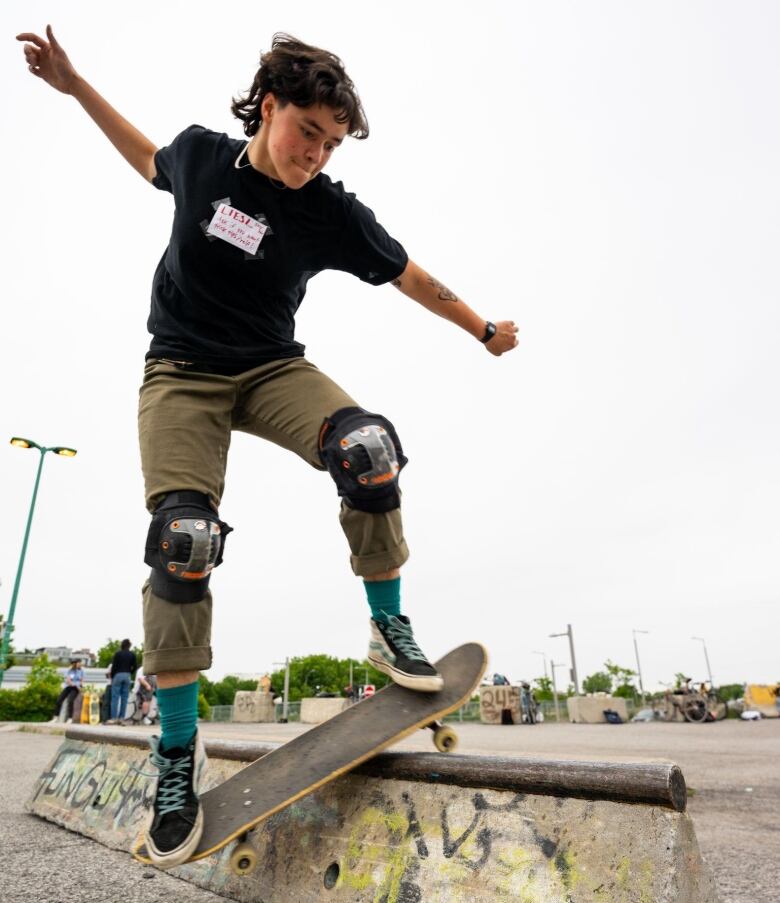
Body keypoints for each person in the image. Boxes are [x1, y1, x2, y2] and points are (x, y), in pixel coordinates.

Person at [17, 27, 518, 868]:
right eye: (306, 132)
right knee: (184, 540)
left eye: (331, 143)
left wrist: (482, 329)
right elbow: (147, 154)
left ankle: (388, 626)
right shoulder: (204, 160)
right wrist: (76, 87)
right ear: (270, 105)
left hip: (273, 368)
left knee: (366, 446)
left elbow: (410, 274)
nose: (315, 155)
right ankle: (177, 753)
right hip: (180, 374)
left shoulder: (329, 210)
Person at [107, 639, 138, 724]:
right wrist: (129, 673)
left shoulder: (118, 654)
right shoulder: (132, 654)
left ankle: (113, 718)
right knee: (124, 698)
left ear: (122, 645)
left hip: (118, 675)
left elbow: (114, 667)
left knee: (115, 698)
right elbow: (135, 666)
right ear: (129, 645)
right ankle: (122, 718)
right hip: (127, 675)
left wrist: (113, 677)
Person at [50, 658, 84, 723]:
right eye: (77, 663)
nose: (78, 664)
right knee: (59, 700)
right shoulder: (69, 670)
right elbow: (68, 680)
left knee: (70, 701)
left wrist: (80, 686)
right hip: (69, 686)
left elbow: (81, 680)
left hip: (76, 689)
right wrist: (73, 684)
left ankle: (70, 718)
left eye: (79, 663)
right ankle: (55, 717)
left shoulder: (81, 671)